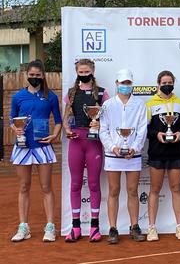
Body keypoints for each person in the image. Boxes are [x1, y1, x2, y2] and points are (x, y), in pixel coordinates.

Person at [10, 60, 62, 242]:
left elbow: (58, 121)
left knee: (46, 187)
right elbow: (11, 120)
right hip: (23, 146)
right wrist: (15, 129)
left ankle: (50, 227)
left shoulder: (51, 97)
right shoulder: (18, 97)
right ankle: (23, 227)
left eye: (37, 75)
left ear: (43, 76)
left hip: (43, 147)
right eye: (31, 75)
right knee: (24, 187)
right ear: (27, 75)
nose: (34, 78)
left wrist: (54, 136)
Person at [62, 59, 109, 242]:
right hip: (76, 142)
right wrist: (66, 130)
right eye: (80, 72)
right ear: (77, 73)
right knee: (75, 184)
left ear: (93, 71)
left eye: (86, 71)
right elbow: (66, 118)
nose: (83, 74)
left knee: (94, 184)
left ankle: (94, 227)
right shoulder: (71, 93)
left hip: (94, 142)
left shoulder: (102, 93)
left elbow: (109, 119)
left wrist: (99, 124)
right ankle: (75, 227)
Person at [99, 69, 147, 244]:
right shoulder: (108, 105)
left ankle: (134, 227)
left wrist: (134, 148)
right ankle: (113, 229)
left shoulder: (140, 104)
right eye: (122, 83)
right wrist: (113, 147)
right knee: (113, 191)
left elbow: (142, 130)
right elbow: (103, 130)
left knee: (133, 191)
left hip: (133, 155)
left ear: (131, 84)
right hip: (113, 155)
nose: (125, 86)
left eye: (128, 83)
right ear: (117, 84)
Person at [145, 70, 180, 241]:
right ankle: (151, 228)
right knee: (154, 190)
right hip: (157, 152)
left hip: (176, 152)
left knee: (176, 189)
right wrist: (157, 134)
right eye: (163, 82)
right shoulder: (150, 104)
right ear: (158, 84)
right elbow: (146, 129)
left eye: (169, 82)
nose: (167, 85)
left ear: (173, 83)